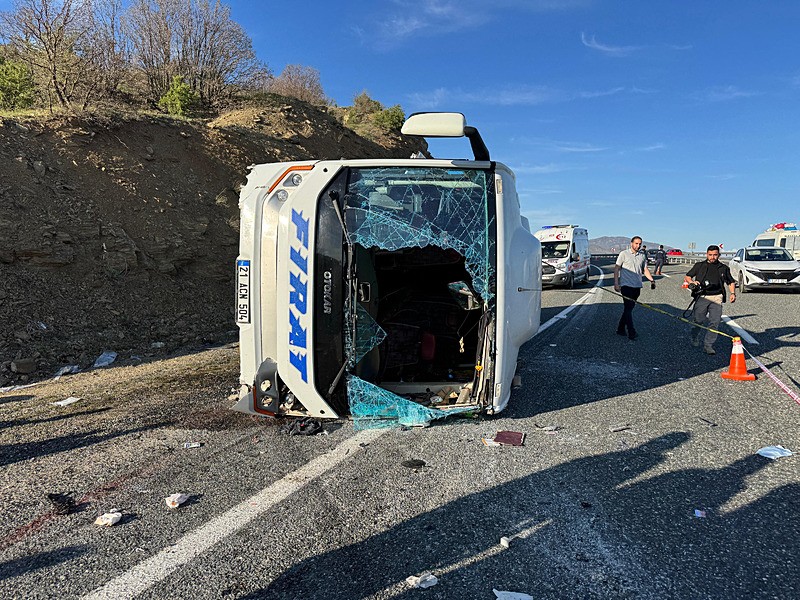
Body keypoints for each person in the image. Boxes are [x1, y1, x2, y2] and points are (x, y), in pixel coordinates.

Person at [684, 245, 736, 355]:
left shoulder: (723, 268)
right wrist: (691, 282)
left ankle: (708, 345)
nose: (712, 257)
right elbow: (688, 276)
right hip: (702, 296)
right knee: (699, 321)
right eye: (710, 255)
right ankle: (695, 335)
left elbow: (731, 282)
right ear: (706, 254)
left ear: (719, 255)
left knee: (714, 322)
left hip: (717, 297)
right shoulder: (699, 265)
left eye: (715, 255)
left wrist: (732, 293)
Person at [614, 236, 656, 340]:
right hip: (626, 285)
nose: (638, 246)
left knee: (629, 308)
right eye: (636, 243)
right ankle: (631, 332)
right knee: (628, 308)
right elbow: (616, 268)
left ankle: (620, 329)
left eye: (640, 244)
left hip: (637, 286)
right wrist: (616, 283)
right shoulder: (623, 254)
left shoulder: (642, 256)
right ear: (631, 243)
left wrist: (651, 280)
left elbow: (645, 270)